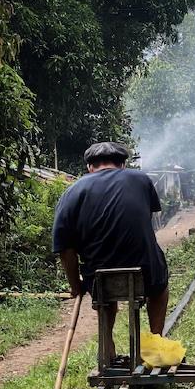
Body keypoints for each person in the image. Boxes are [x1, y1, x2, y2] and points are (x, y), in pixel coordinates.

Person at [52, 142, 169, 359]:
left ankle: (107, 347)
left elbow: (64, 248)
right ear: (123, 164)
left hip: (99, 274)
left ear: (89, 167)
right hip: (145, 270)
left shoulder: (73, 190)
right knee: (159, 291)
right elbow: (146, 219)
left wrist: (75, 287)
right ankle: (156, 341)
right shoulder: (141, 180)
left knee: (104, 296)